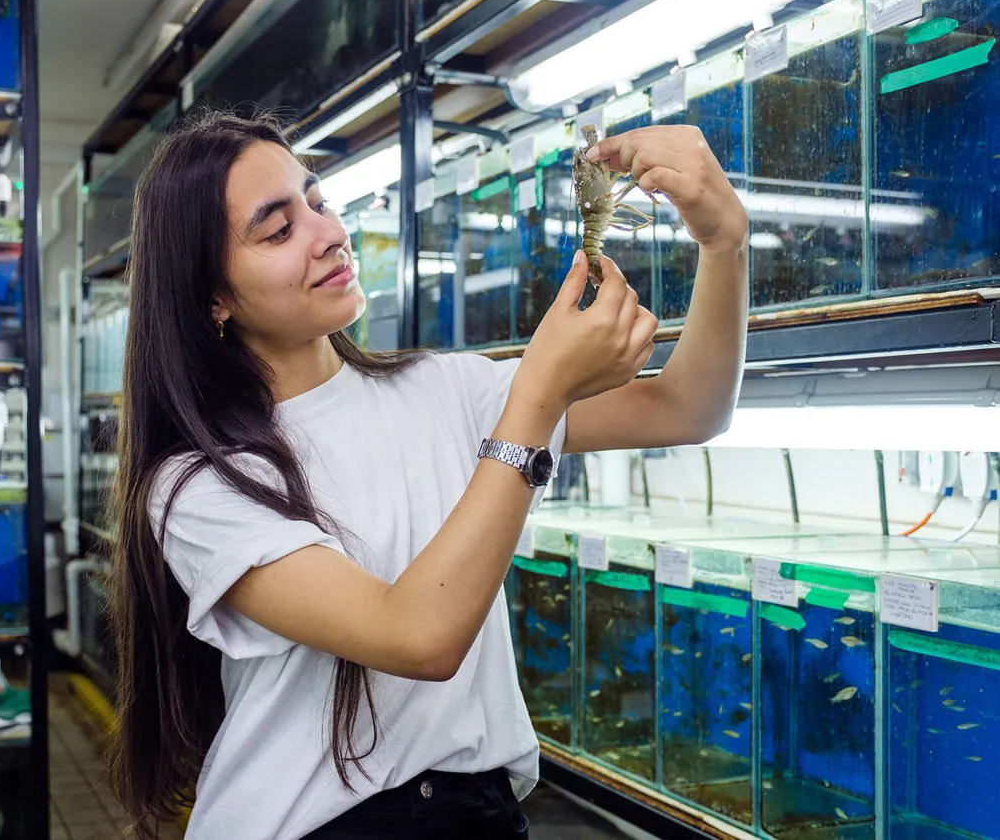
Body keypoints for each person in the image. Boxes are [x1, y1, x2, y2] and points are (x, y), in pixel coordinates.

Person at [108, 111, 749, 840]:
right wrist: (537, 395)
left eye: (317, 201)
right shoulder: (198, 484)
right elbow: (417, 638)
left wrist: (724, 241)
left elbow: (687, 407)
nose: (327, 234)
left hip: (477, 814)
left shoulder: (441, 388)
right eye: (278, 230)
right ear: (212, 298)